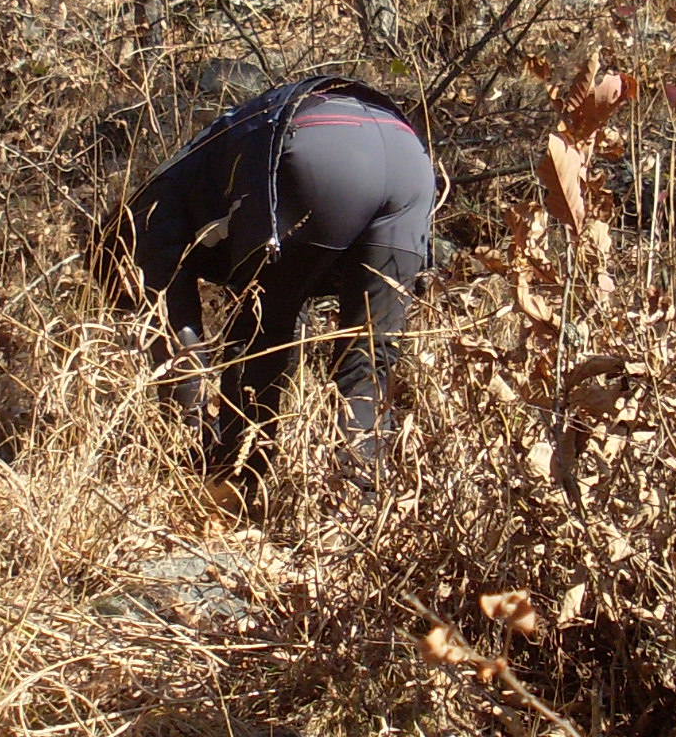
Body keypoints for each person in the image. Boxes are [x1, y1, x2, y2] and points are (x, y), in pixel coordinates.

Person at [98, 77, 433, 482]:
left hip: (316, 147)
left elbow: (174, 341)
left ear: (116, 259)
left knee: (258, 336)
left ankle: (236, 484)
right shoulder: (192, 170)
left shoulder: (142, 218)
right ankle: (359, 496)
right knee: (369, 351)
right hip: (409, 155)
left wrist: (194, 443)